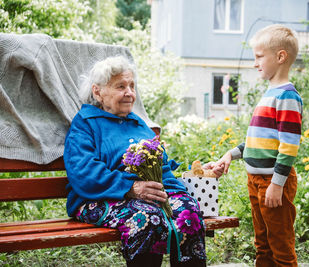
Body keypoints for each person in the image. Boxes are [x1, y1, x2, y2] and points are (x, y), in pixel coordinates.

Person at [64, 56, 221, 267]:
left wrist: (176, 192)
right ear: (97, 91)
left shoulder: (138, 124)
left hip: (148, 197)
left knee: (188, 213)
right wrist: (130, 187)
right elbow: (83, 172)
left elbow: (161, 167)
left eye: (131, 86)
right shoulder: (85, 124)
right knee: (146, 218)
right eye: (121, 86)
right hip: (98, 198)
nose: (129, 93)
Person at [211, 25, 302, 266]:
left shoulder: (287, 97)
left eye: (259, 57)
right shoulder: (270, 94)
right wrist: (231, 155)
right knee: (262, 243)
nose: (255, 63)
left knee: (280, 245)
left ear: (280, 57)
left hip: (273, 182)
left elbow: (289, 146)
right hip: (256, 182)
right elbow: (257, 141)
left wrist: (277, 185)